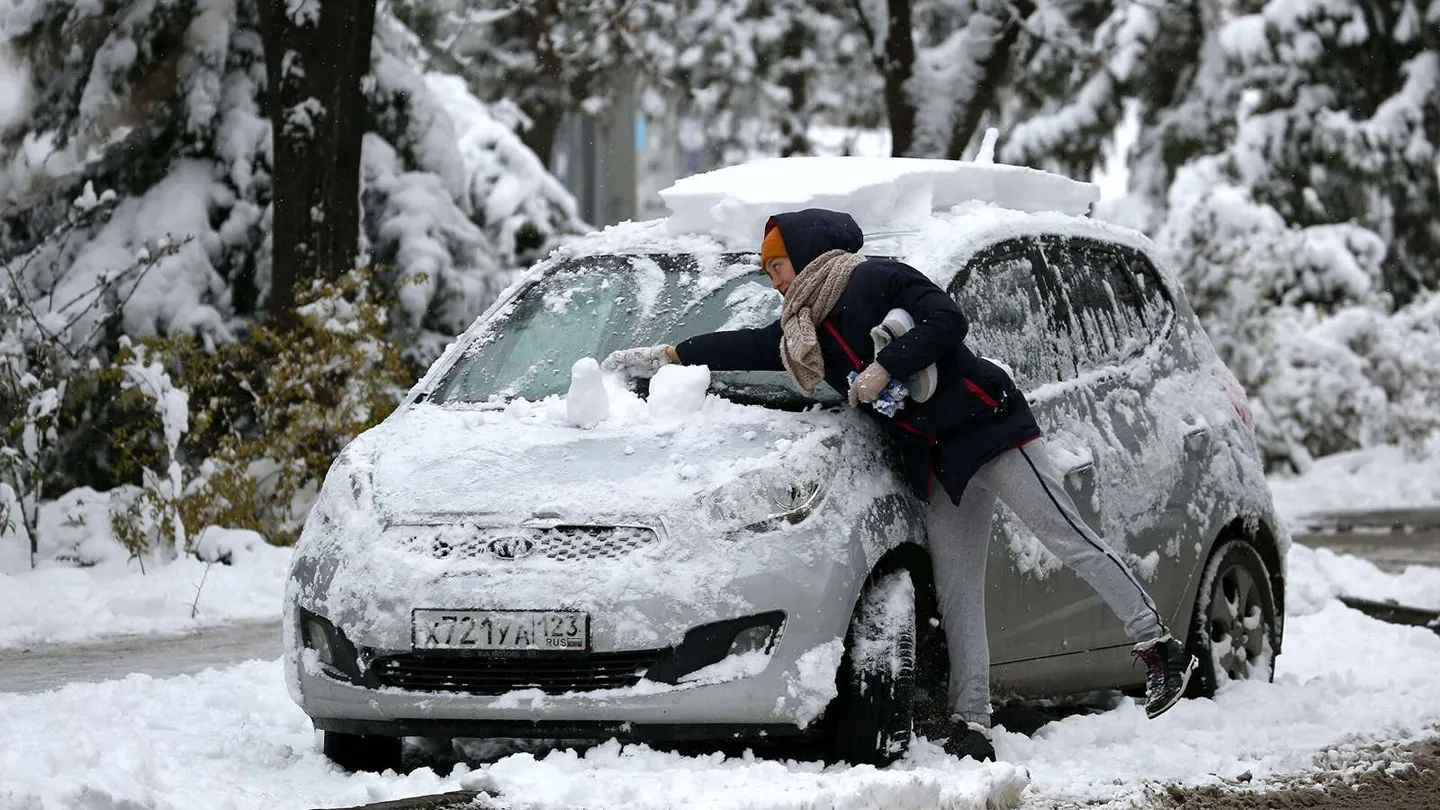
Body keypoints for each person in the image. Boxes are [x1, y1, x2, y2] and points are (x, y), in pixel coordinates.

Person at [601, 208, 1196, 762]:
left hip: (989, 428)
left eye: (776, 266)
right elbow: (752, 346)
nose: (773, 280)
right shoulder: (801, 330)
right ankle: (972, 723)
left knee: (1065, 536)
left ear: (805, 254)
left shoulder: (875, 278)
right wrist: (673, 353)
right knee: (959, 592)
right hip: (935, 460)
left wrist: (889, 365)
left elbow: (947, 319)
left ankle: (1159, 647)